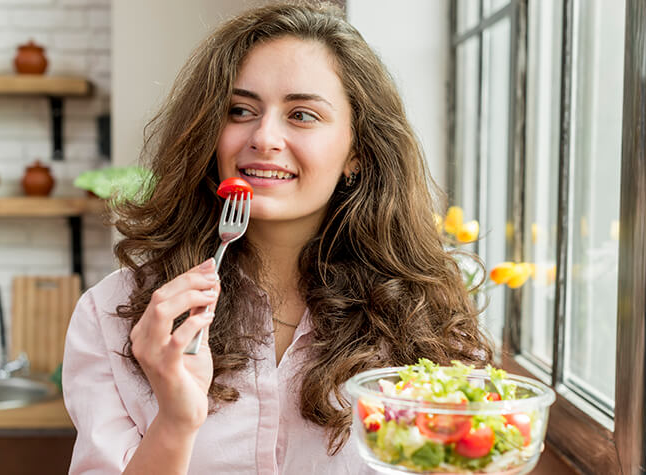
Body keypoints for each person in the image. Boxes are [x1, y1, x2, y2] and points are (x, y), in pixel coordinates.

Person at [62, 2, 492, 474]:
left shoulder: (424, 316)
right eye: (240, 110)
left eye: (303, 115)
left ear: (359, 152)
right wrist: (175, 423)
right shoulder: (113, 315)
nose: (264, 137)